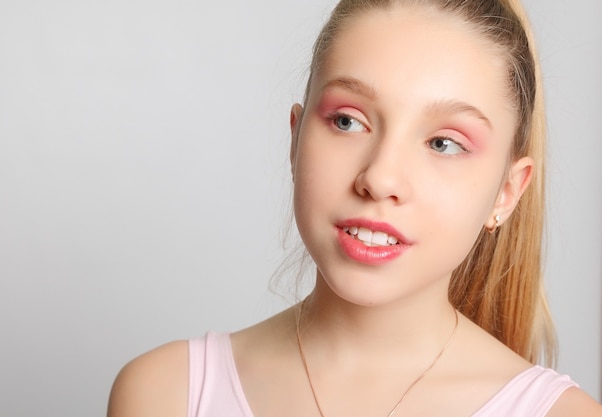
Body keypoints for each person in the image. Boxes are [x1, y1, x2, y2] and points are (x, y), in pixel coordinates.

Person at [107, 0, 602, 415]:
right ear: (296, 138)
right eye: (347, 121)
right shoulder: (165, 394)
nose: (380, 178)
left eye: (444, 143)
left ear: (507, 193)